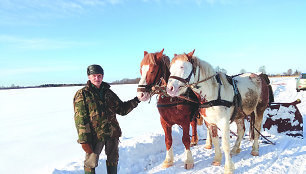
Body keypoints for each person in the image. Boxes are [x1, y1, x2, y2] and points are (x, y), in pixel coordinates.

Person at [73, 64, 141, 174]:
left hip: (112, 133)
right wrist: (84, 140)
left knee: (113, 159)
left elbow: (122, 109)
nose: (97, 78)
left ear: (102, 76)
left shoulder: (108, 93)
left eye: (99, 76)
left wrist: (137, 100)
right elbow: (80, 119)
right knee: (90, 162)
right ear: (89, 77)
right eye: (94, 76)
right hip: (95, 136)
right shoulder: (83, 94)